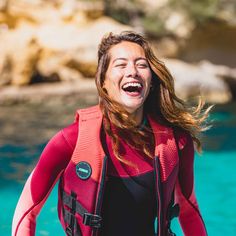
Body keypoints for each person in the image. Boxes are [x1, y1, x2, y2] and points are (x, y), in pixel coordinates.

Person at [12, 31, 209, 236]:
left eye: (141, 65)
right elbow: (27, 211)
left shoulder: (175, 142)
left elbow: (189, 212)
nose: (132, 71)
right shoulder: (70, 140)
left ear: (151, 82)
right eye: (121, 65)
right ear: (103, 82)